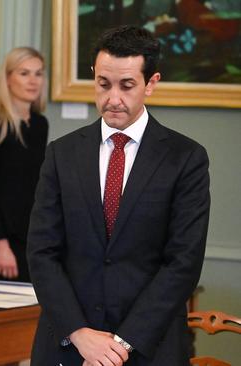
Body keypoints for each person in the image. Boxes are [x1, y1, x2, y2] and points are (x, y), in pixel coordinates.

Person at [27, 25, 210, 366]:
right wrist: (80, 334)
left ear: (150, 83)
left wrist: (121, 344)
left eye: (126, 86)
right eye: (103, 84)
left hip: (149, 349)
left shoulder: (185, 158)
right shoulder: (61, 154)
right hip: (68, 349)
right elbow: (42, 253)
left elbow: (183, 263)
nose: (113, 98)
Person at [0, 47, 48, 283]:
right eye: (24, 73)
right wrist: (1, 245)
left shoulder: (39, 124)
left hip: (32, 238)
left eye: (38, 74)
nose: (33, 81)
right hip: (2, 243)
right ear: (8, 78)